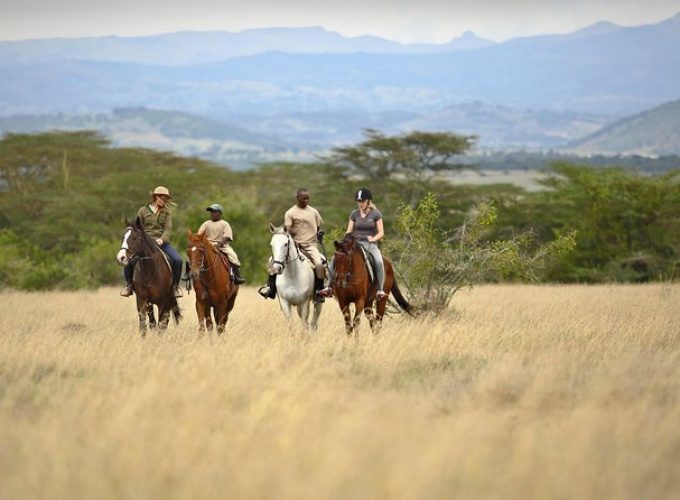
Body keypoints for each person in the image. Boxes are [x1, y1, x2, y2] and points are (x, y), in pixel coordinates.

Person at [259, 188, 326, 303]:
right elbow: (287, 230)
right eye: (304, 198)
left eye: (308, 198)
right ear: (298, 198)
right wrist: (293, 241)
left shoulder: (314, 211)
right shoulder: (290, 213)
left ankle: (319, 291)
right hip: (295, 245)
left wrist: (317, 235)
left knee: (319, 264)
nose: (306, 200)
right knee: (272, 261)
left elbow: (318, 226)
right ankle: (271, 288)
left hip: (310, 245)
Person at [319, 187, 387, 300]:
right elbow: (349, 231)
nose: (360, 204)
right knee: (335, 258)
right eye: (358, 201)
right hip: (355, 243)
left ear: (368, 201)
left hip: (370, 244)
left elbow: (381, 233)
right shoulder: (354, 214)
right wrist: (346, 241)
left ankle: (380, 290)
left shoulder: (376, 214)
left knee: (379, 261)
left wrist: (373, 238)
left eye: (362, 201)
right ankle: (329, 287)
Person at [120, 185, 183, 297]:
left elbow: (168, 229)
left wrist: (162, 239)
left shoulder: (167, 212)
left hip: (161, 243)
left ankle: (174, 287)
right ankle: (128, 285)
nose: (164, 200)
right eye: (162, 198)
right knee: (129, 260)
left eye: (166, 199)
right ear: (155, 197)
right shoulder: (143, 211)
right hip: (145, 243)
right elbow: (137, 227)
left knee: (177, 260)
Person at [197, 203, 246, 284]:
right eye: (211, 212)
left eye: (214, 211)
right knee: (194, 255)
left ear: (220, 213)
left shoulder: (224, 224)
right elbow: (199, 235)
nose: (212, 213)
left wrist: (220, 243)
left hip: (222, 246)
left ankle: (237, 276)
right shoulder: (206, 224)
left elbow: (227, 236)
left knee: (233, 257)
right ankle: (189, 274)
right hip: (208, 246)